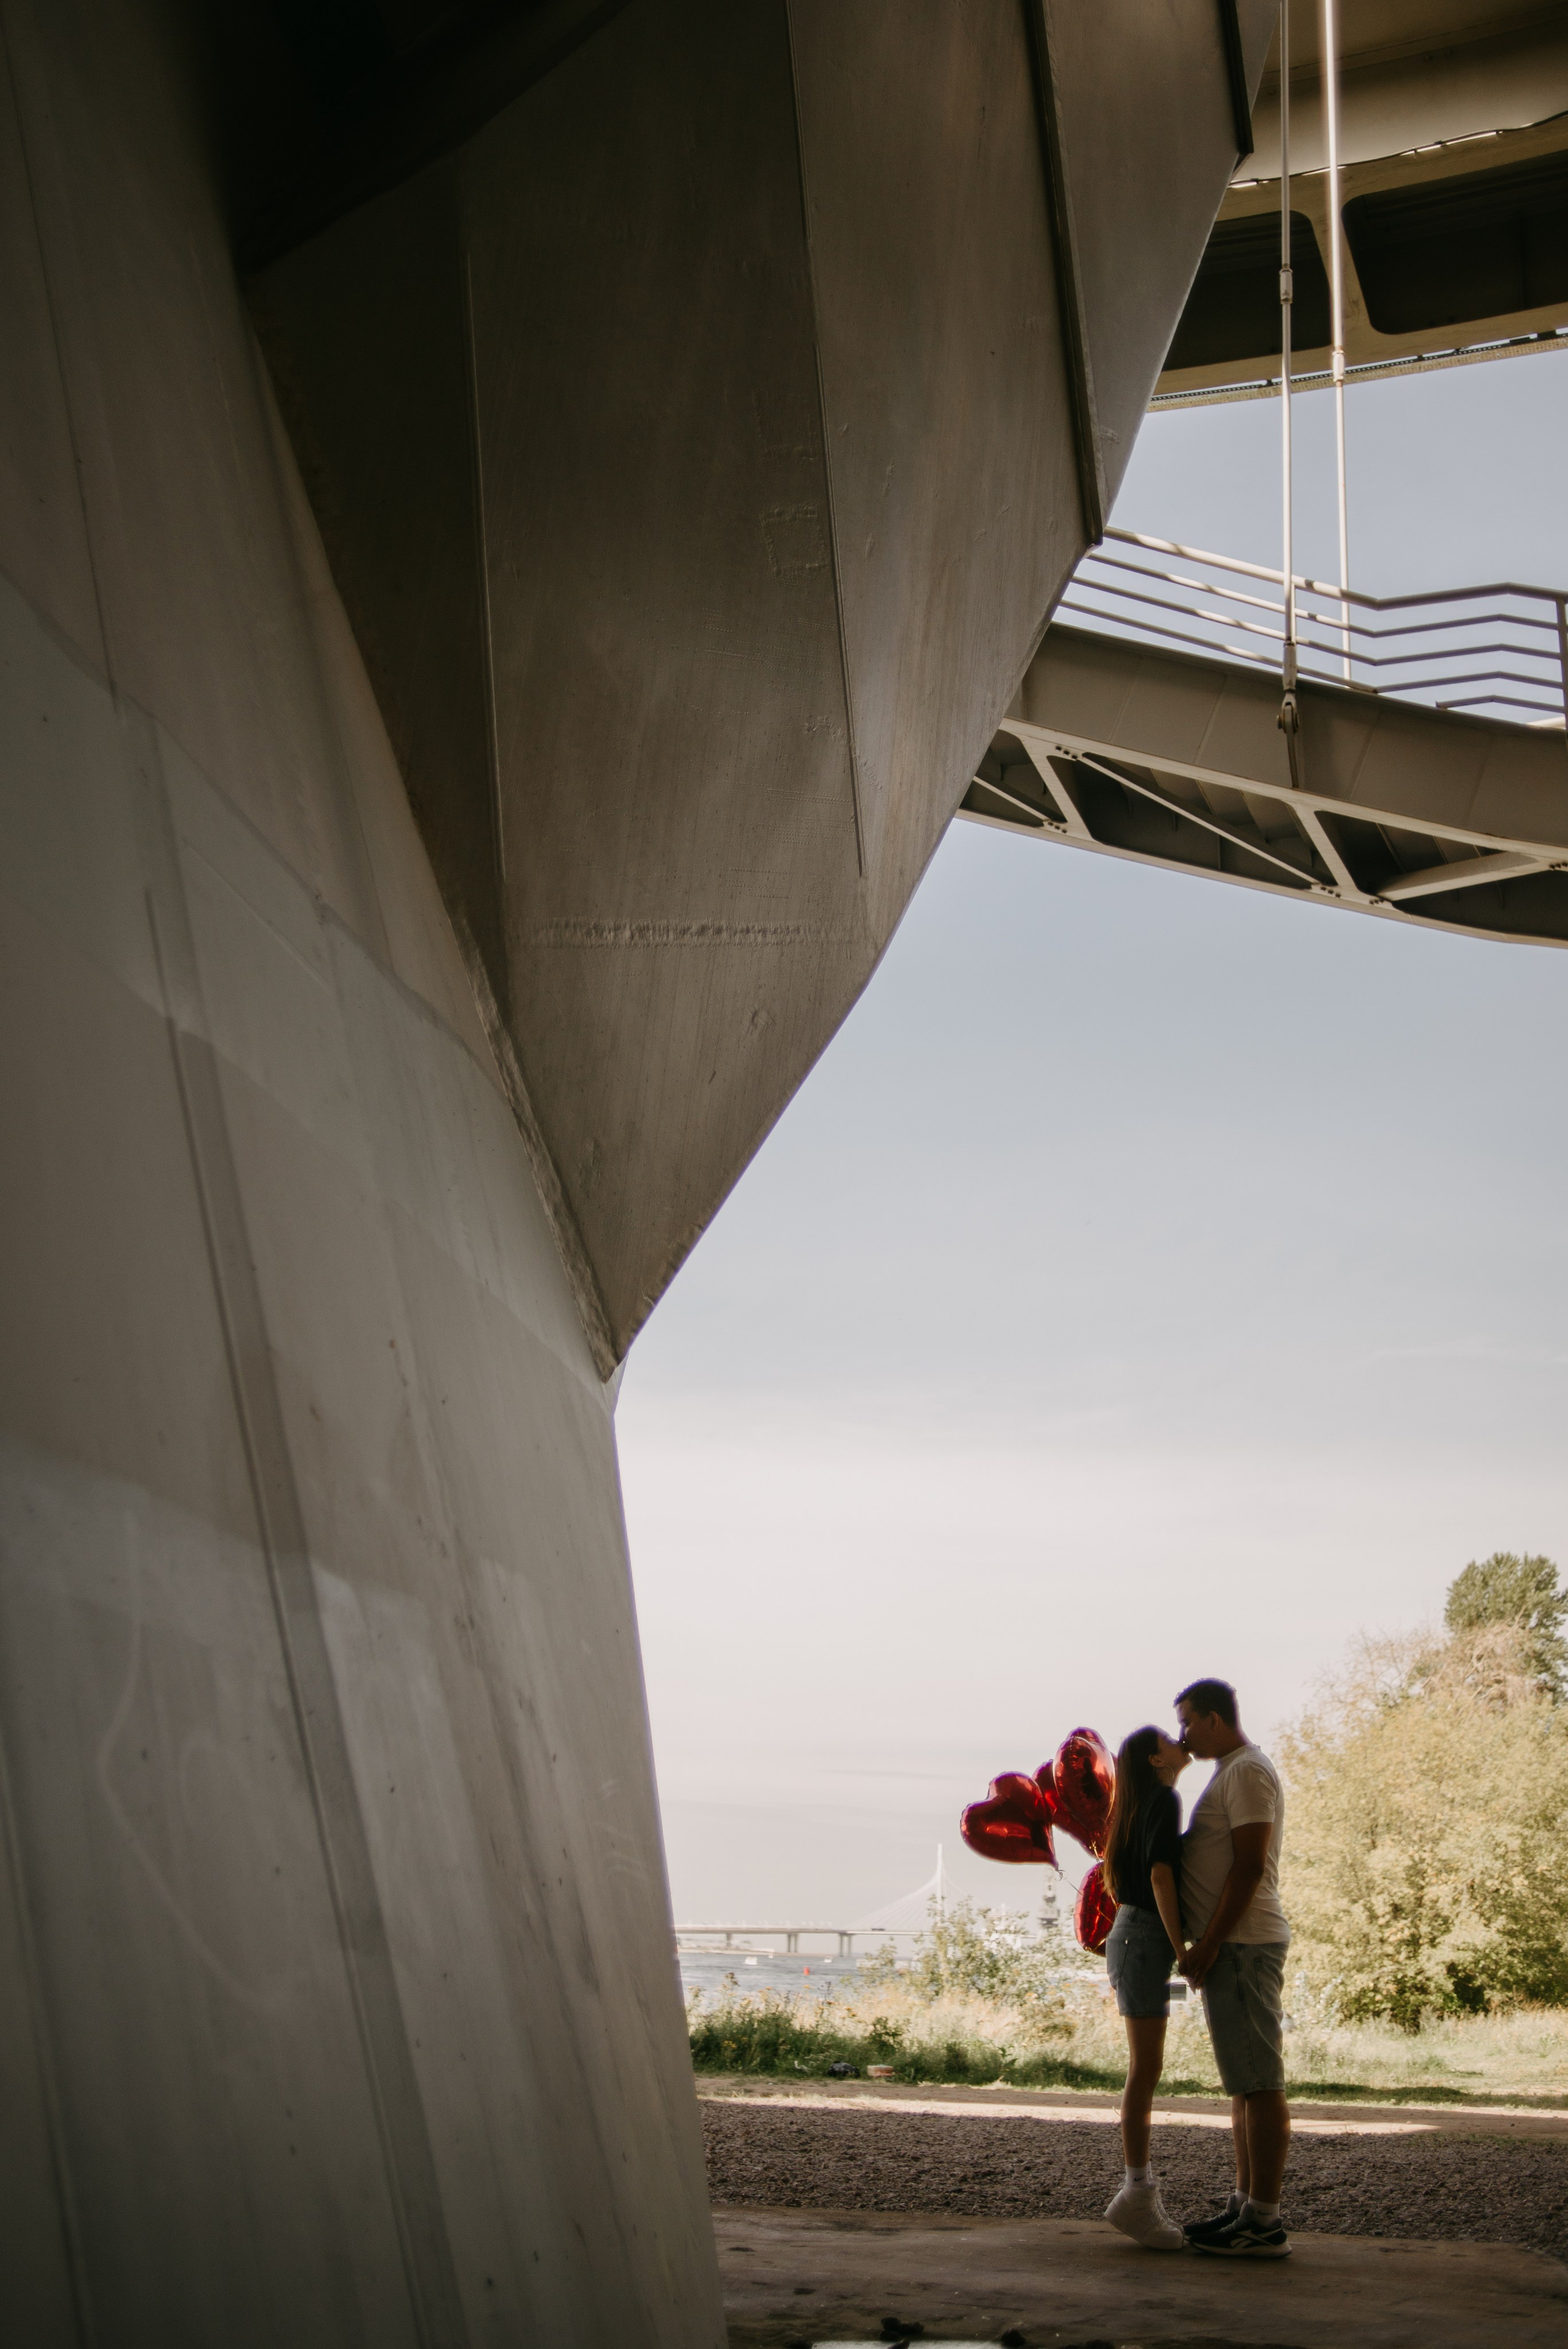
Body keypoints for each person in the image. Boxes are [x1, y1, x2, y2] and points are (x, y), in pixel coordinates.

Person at [1174, 1677, 1292, 2260]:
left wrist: (1211, 1943)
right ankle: (1244, 2207)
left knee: (1261, 2083)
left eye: (1189, 1723)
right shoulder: (1231, 1772)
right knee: (1244, 2085)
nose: (1183, 1736)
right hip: (1234, 1945)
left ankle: (1264, 2223)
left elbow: (1249, 1866)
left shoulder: (1246, 1772)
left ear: (1215, 1719)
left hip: (1243, 1944)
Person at [1101, 1725, 1192, 2252]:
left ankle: (1137, 2190)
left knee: (1147, 2069)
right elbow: (1161, 1876)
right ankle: (1136, 2192)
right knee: (1145, 2069)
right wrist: (1184, 1949)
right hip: (1143, 1937)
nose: (1180, 1741)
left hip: (1135, 1936)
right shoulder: (1164, 1799)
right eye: (1169, 1739)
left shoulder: (1142, 1805)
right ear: (1157, 1760)